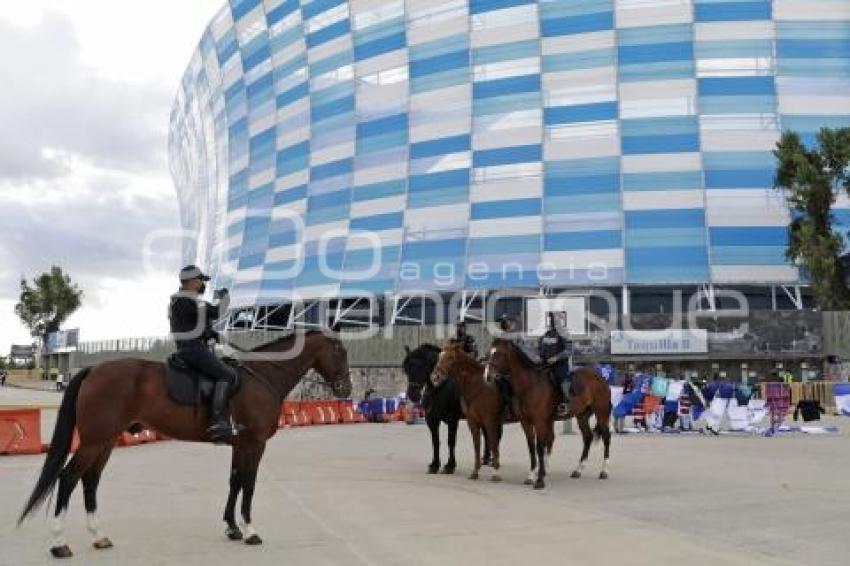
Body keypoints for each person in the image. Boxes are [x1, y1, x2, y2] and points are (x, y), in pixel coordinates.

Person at [168, 265, 237, 443]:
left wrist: (208, 333)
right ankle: (218, 420)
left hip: (189, 347)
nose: (202, 284)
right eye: (200, 280)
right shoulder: (187, 299)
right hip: (193, 350)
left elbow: (189, 325)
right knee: (227, 375)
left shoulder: (181, 300)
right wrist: (225, 298)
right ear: (191, 281)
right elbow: (216, 312)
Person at [539, 312, 571, 415]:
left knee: (561, 380)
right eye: (551, 320)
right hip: (545, 364)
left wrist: (556, 358)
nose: (552, 322)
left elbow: (569, 351)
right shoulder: (545, 335)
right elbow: (540, 349)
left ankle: (564, 403)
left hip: (560, 365)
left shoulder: (565, 334)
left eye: (554, 320)